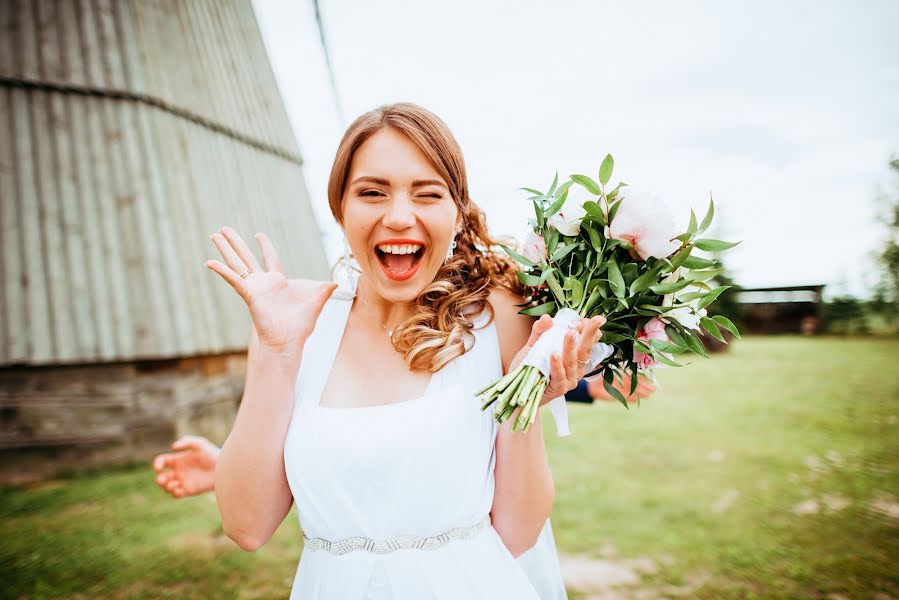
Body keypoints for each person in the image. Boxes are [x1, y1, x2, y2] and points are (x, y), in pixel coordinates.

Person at [196, 102, 613, 599]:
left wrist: (520, 409)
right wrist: (277, 353)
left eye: (427, 194)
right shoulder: (293, 324)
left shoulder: (498, 317)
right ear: (339, 209)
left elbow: (520, 534)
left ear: (456, 213)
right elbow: (246, 525)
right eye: (371, 193)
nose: (398, 217)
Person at [154, 372, 654, 598]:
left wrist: (593, 384)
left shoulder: (492, 317)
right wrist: (228, 468)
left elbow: (526, 375)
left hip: (484, 534)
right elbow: (364, 459)